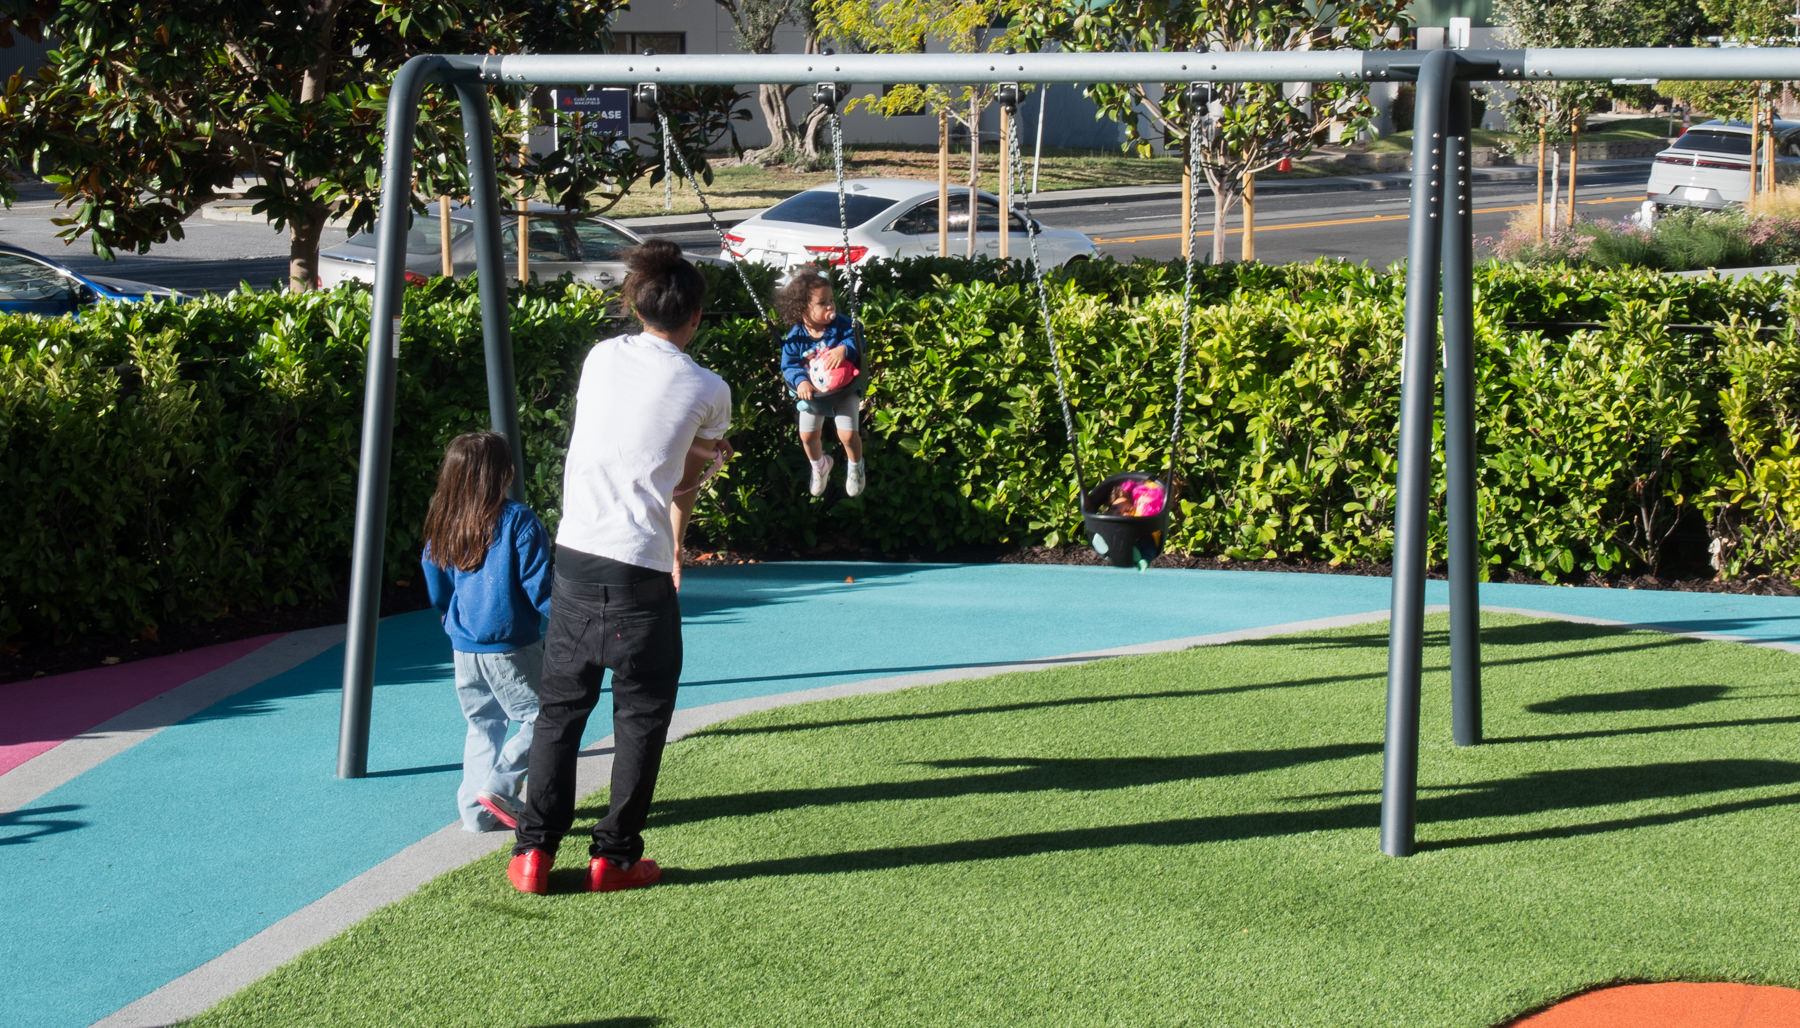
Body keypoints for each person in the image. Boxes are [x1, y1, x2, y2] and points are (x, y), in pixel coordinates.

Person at [507, 238, 734, 895]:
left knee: (560, 713)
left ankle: (533, 855)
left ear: (636, 307)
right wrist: (700, 484)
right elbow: (683, 483)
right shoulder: (709, 388)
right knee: (640, 715)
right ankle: (615, 857)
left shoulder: (600, 358)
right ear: (694, 318)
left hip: (575, 559)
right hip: (638, 572)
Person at [420, 431, 553, 835]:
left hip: (464, 647)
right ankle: (500, 785)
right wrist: (572, 623)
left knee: (483, 724)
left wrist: (450, 618)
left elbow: (436, 579)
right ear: (504, 472)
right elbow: (541, 587)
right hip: (510, 646)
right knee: (546, 717)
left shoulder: (444, 522)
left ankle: (475, 814)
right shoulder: (518, 522)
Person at [775, 267, 867, 498]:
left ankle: (856, 467)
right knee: (807, 436)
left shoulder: (842, 326)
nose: (830, 307)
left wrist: (844, 349)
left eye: (832, 300)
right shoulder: (796, 337)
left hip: (844, 391)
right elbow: (790, 365)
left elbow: (858, 338)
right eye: (822, 303)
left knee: (847, 435)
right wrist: (800, 382)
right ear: (802, 308)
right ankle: (820, 465)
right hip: (814, 395)